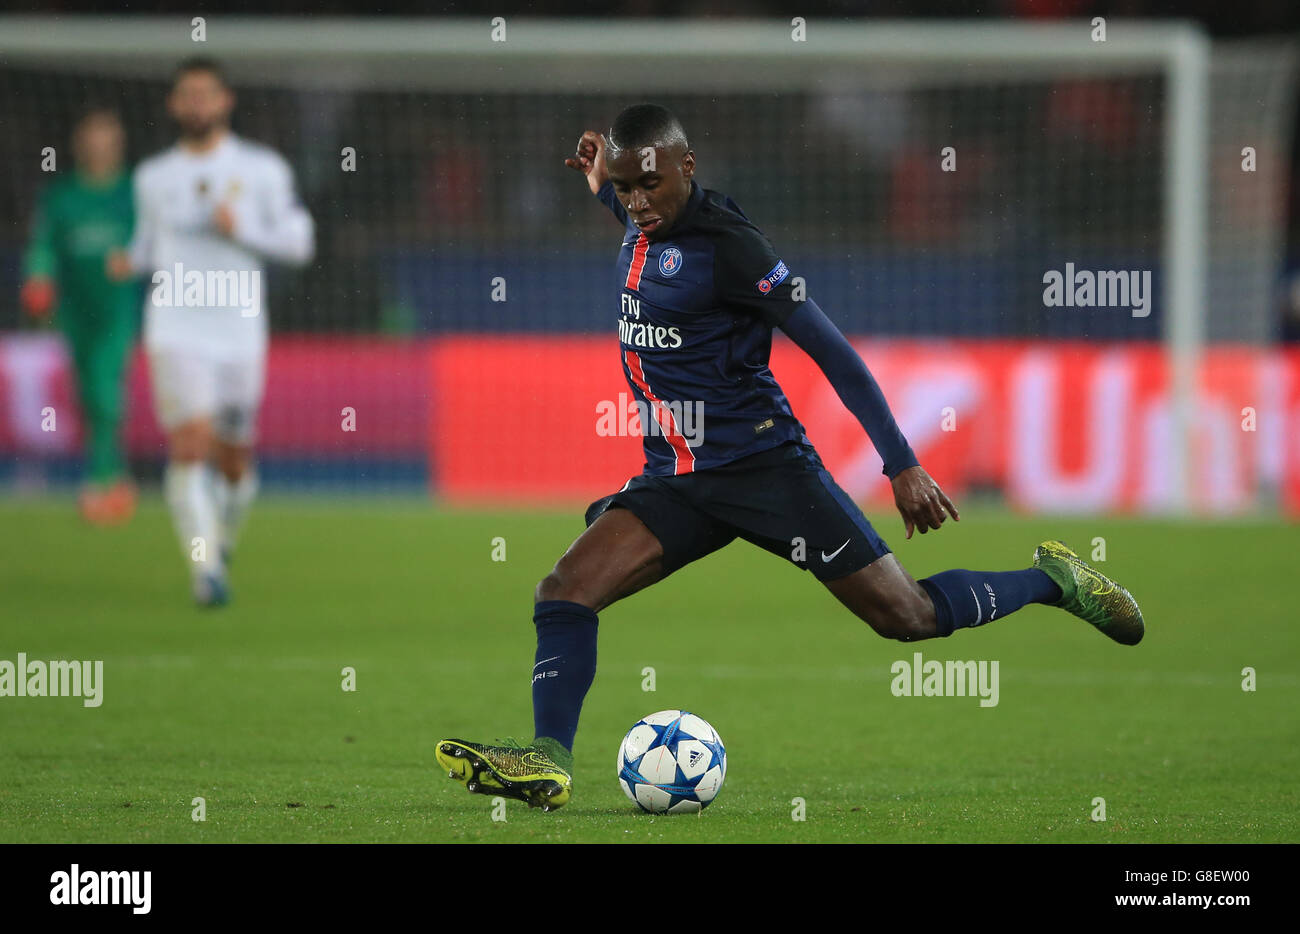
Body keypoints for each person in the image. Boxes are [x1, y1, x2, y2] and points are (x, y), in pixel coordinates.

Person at [436, 104, 1143, 811]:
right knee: (565, 589)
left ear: (688, 168)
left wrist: (901, 463)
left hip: (765, 468)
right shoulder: (639, 211)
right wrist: (603, 175)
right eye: (623, 190)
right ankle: (548, 761)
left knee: (907, 616)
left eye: (647, 186)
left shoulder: (734, 248)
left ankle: (1054, 581)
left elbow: (835, 355)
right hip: (678, 478)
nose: (635, 203)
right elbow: (629, 202)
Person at [112, 57, 314, 606]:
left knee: (233, 458)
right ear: (175, 105)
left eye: (207, 94)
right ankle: (205, 571)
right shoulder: (152, 176)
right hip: (175, 324)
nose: (197, 104)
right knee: (190, 442)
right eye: (187, 95)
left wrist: (242, 227)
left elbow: (300, 243)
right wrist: (125, 261)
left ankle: (218, 541)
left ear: (225, 101)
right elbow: (146, 247)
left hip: (240, 328)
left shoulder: (262, 169)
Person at [21, 108, 137, 524]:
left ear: (118, 141)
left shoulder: (133, 193)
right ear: (79, 143)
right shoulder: (62, 196)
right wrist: (38, 278)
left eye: (106, 135)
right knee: (88, 393)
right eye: (91, 135)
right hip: (74, 311)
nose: (98, 143)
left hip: (118, 309)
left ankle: (104, 481)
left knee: (106, 387)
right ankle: (113, 475)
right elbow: (43, 245)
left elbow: (155, 244)